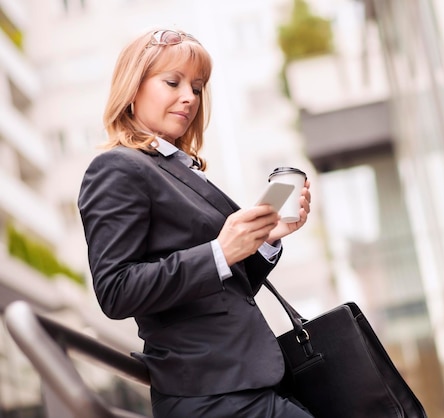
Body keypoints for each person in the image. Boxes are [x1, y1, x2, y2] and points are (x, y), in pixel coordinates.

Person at [77, 28, 313, 418]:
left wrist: (265, 239)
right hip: (210, 395)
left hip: (242, 382)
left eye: (198, 87)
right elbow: (115, 290)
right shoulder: (116, 168)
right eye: (173, 82)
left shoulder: (176, 168)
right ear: (133, 88)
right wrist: (219, 252)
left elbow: (223, 291)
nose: (189, 97)